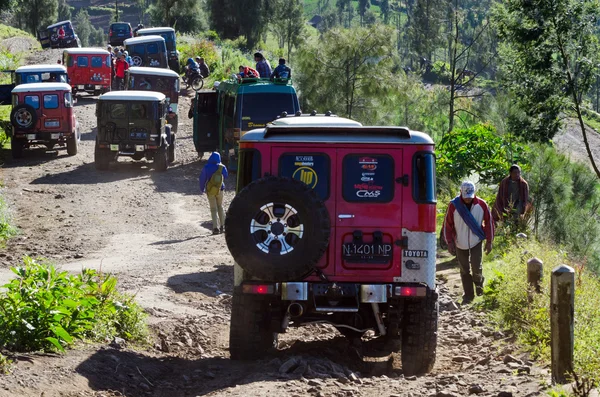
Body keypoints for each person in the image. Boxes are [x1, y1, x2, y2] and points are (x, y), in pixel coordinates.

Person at [443, 181, 495, 304]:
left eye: (470, 197)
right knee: (464, 269)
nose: (468, 200)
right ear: (461, 192)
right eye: (465, 197)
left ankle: (478, 283)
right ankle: (468, 295)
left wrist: (489, 241)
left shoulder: (482, 205)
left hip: (476, 241)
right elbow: (447, 225)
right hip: (460, 242)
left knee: (477, 266)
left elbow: (489, 223)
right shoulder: (454, 205)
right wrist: (449, 242)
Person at [199, 152, 229, 235]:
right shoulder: (222, 167)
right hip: (220, 189)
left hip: (210, 190)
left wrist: (202, 189)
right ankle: (223, 226)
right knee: (220, 206)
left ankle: (215, 228)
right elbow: (226, 176)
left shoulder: (206, 167)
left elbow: (202, 178)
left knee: (213, 209)